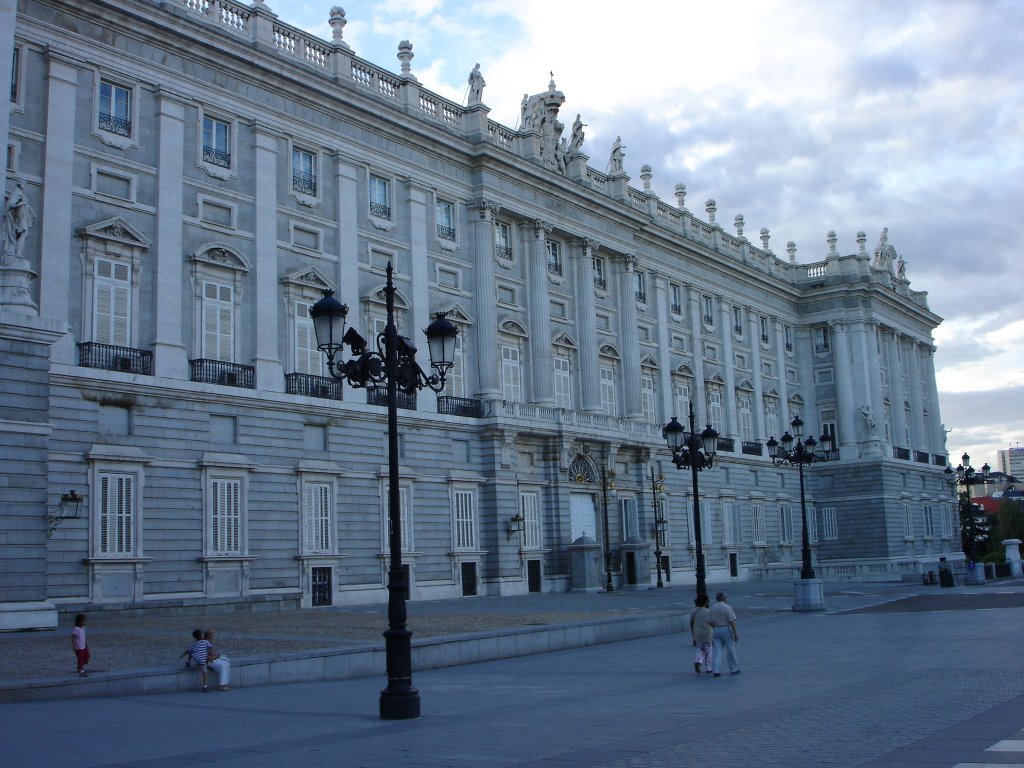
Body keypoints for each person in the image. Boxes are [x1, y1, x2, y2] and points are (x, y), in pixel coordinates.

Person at [708, 592, 740, 677]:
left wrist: (714, 627)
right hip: (726, 629)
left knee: (717, 651)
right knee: (730, 650)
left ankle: (716, 670)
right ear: (723, 598)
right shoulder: (727, 607)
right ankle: (734, 668)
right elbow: (731, 621)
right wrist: (735, 633)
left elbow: (710, 622)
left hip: (716, 630)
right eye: (726, 597)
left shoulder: (712, 608)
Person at [689, 594, 713, 674]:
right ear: (705, 602)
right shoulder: (708, 611)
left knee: (700, 649)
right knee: (708, 650)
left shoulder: (693, 611)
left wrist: (693, 632)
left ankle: (698, 662)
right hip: (707, 633)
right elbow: (711, 623)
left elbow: (691, 622)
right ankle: (708, 668)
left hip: (697, 633)